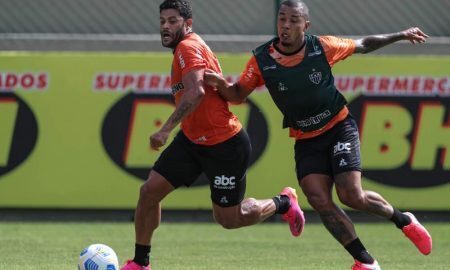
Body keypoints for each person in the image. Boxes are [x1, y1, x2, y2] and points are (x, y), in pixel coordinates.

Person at [204, 1, 432, 269]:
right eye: (282, 19)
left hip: (338, 127)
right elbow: (238, 94)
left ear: (305, 25)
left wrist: (401, 35)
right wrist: (222, 85)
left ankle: (403, 220)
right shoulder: (262, 60)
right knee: (319, 199)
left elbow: (364, 44)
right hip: (306, 138)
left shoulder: (322, 47)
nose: (286, 26)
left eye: (293, 20)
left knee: (351, 195)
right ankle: (365, 262)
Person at [121, 1, 305, 269]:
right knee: (149, 193)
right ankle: (140, 263)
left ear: (188, 24)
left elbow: (196, 92)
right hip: (192, 140)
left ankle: (284, 203)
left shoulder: (188, 47)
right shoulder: (186, 46)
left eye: (173, 21)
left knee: (231, 219)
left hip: (225, 145)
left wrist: (165, 129)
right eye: (162, 21)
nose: (165, 27)